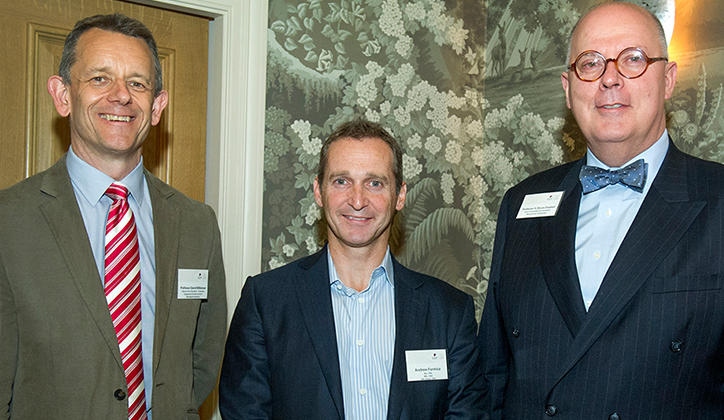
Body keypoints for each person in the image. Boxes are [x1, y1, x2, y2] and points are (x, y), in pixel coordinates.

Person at [478, 2, 724, 419]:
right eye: (590, 64)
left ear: (667, 80)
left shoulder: (717, 199)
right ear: (568, 88)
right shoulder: (520, 204)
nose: (610, 78)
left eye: (633, 60)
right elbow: (492, 376)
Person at [0, 13, 226, 419]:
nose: (121, 96)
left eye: (137, 83)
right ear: (63, 95)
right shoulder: (9, 221)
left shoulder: (197, 224)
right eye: (99, 78)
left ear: (157, 106)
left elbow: (202, 361)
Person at [219, 119, 484, 419]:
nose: (358, 200)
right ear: (318, 192)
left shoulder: (449, 312)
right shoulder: (265, 302)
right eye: (341, 181)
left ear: (400, 195)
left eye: (375, 183)